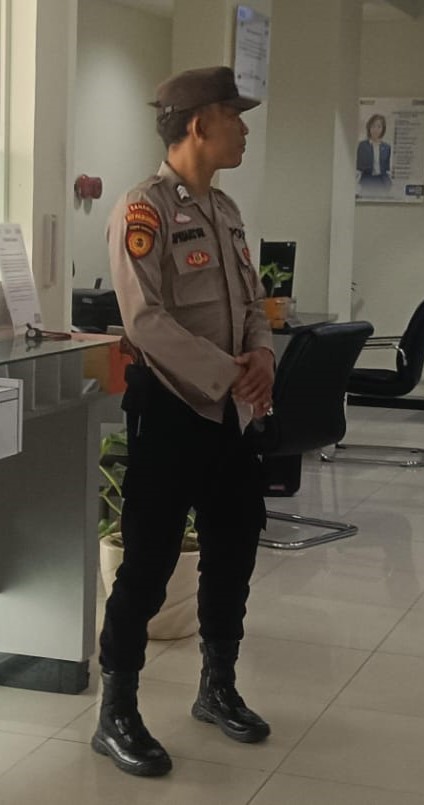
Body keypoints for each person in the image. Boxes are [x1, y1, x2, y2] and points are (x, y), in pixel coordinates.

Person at [97, 66, 274, 778]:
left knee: (234, 548)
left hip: (231, 414)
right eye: (235, 115)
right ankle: (116, 711)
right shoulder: (143, 210)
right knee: (147, 564)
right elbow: (144, 320)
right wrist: (228, 371)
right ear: (199, 124)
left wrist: (262, 355)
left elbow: (252, 299)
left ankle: (217, 686)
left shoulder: (224, 209)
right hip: (172, 410)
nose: (245, 128)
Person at [356, 113, 391, 182]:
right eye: (373, 126)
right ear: (369, 127)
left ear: (383, 129)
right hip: (367, 180)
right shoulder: (362, 145)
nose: (375, 129)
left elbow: (387, 168)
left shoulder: (387, 147)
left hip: (383, 181)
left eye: (379, 127)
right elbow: (359, 167)